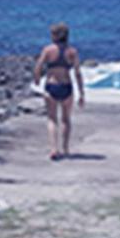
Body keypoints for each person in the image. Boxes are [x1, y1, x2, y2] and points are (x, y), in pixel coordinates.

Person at [33, 22, 85, 160]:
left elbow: (38, 66)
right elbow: (78, 73)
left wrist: (37, 79)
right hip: (67, 86)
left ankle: (54, 149)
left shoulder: (48, 50)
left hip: (51, 86)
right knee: (66, 119)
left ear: (55, 36)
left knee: (52, 119)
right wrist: (81, 93)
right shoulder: (72, 52)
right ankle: (66, 149)